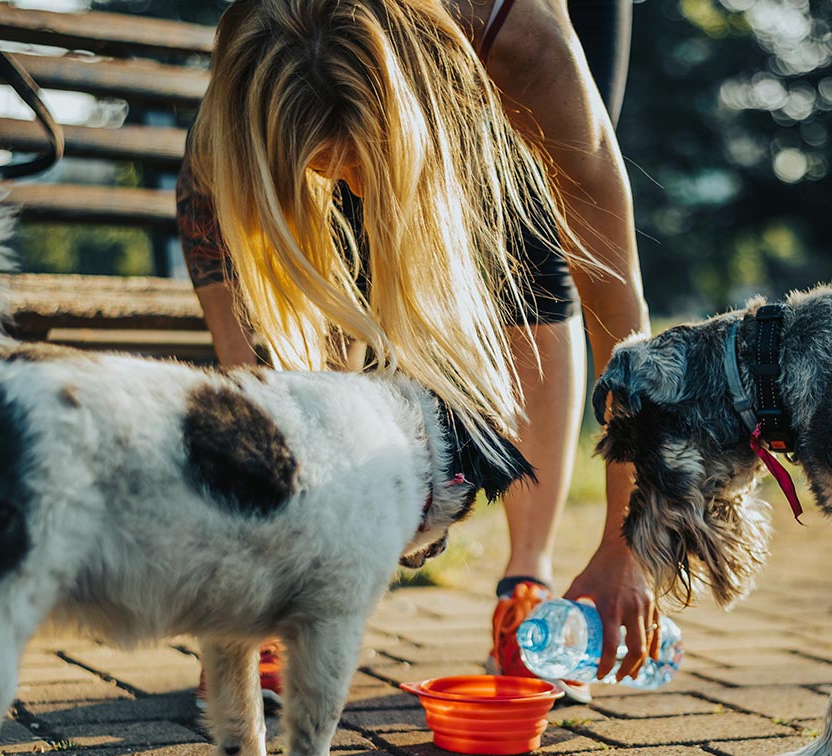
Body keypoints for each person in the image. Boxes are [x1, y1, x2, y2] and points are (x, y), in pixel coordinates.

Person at [176, 0, 657, 702]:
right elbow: (208, 211)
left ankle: (526, 581)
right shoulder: (264, 52)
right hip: (379, 75)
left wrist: (627, 545)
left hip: (500, 37)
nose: (351, 183)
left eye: (357, 159)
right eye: (327, 166)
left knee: (532, 239)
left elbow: (620, 313)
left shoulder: (523, 46)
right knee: (336, 240)